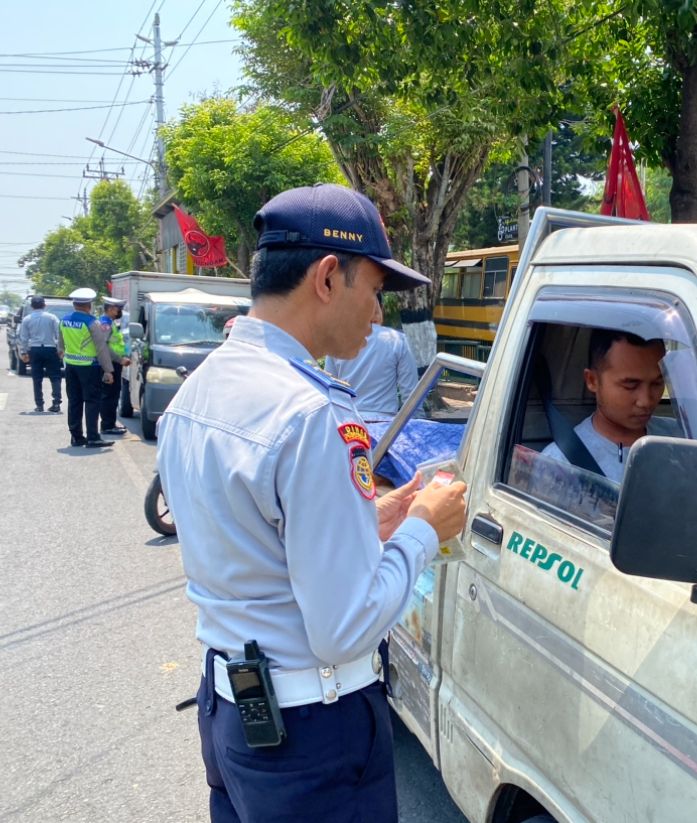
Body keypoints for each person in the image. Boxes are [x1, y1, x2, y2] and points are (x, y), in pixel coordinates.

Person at [156, 183, 467, 823]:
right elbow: (344, 629)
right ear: (328, 277)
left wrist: (373, 522)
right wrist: (423, 532)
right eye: (375, 290)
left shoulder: (199, 393)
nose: (379, 315)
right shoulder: (313, 414)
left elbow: (258, 541)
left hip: (234, 717)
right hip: (312, 736)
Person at [541, 328, 679, 481]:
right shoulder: (557, 465)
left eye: (657, 383)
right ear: (592, 380)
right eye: (630, 386)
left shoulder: (683, 438)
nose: (646, 401)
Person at [324, 293, 419, 418]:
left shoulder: (336, 341)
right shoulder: (398, 341)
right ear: (381, 308)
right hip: (385, 424)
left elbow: (328, 389)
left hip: (347, 422)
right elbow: (411, 394)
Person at [59, 288, 115, 448]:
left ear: (75, 303)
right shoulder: (92, 322)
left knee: (74, 401)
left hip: (70, 366)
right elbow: (101, 348)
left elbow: (61, 344)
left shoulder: (64, 320)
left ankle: (76, 437)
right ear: (89, 304)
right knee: (92, 401)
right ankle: (92, 437)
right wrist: (108, 370)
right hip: (89, 367)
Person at [18, 295, 62, 413]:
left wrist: (24, 352)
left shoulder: (27, 319)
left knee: (37, 378)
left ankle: (39, 404)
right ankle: (56, 402)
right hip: (50, 349)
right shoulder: (52, 317)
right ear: (44, 305)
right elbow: (59, 334)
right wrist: (60, 349)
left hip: (35, 350)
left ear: (31, 306)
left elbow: (24, 338)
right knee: (55, 377)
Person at [98, 296, 131, 435]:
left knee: (111, 394)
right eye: (119, 309)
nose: (120, 312)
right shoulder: (106, 324)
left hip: (113, 363)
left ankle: (109, 424)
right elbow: (103, 346)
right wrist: (119, 359)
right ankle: (107, 425)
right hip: (110, 363)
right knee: (109, 395)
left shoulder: (108, 322)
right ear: (111, 309)